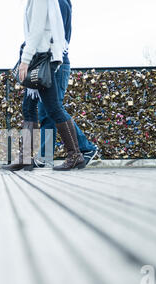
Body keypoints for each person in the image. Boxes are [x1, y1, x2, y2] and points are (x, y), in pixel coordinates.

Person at [3, 0, 85, 171]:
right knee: (28, 107)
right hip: (40, 58)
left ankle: (75, 154)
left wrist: (25, 60)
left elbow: (37, 30)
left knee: (53, 108)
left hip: (42, 59)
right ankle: (25, 157)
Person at [35, 0, 98, 168]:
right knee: (46, 110)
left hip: (56, 63)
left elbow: (57, 35)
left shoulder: (59, 3)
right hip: (51, 62)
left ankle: (85, 148)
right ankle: (45, 156)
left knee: (54, 109)